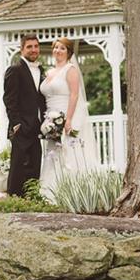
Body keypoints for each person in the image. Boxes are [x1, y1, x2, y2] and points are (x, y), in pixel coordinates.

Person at [39, 37, 94, 201]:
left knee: (67, 152)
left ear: (68, 52)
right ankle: (49, 193)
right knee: (51, 153)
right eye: (56, 47)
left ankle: (73, 193)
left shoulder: (70, 70)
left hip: (65, 115)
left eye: (62, 48)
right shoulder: (49, 72)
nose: (58, 51)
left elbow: (74, 95)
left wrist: (68, 120)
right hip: (50, 118)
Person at [3, 33, 46, 197]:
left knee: (35, 165)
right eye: (29, 47)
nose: (33, 50)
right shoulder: (15, 70)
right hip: (21, 128)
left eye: (36, 46)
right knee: (18, 168)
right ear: (22, 49)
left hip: (37, 128)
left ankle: (31, 199)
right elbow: (9, 100)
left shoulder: (41, 70)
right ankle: (14, 200)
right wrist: (16, 124)